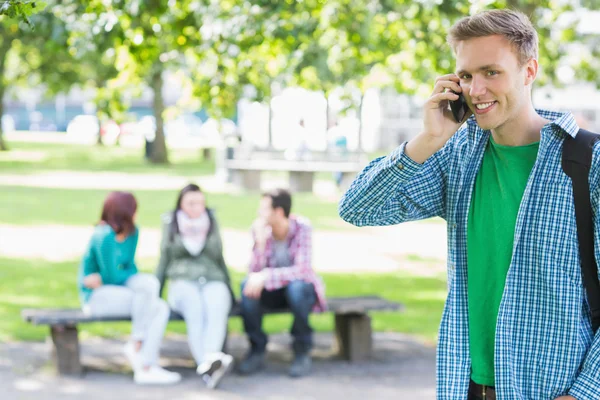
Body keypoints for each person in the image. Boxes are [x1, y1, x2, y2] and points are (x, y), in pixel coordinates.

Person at [339, 9, 600, 400]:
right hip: (467, 386)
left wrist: (583, 394)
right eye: (465, 76)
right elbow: (359, 208)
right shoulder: (457, 156)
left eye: (491, 72)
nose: (475, 90)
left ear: (529, 71)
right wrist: (428, 139)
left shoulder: (588, 162)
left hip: (554, 390)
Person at [78, 191, 181, 385]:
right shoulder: (103, 236)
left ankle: (145, 361)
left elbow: (127, 268)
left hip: (114, 288)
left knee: (156, 297)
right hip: (96, 297)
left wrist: (110, 278)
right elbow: (112, 275)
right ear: (124, 212)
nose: (136, 214)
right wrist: (110, 277)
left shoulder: (133, 232)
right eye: (134, 210)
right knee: (149, 301)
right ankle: (140, 353)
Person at [237, 188, 327, 377]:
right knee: (247, 287)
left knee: (297, 288)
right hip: (274, 293)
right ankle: (257, 348)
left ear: (278, 212)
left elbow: (302, 270)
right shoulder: (260, 230)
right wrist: (260, 243)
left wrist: (266, 276)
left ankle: (302, 350)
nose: (259, 213)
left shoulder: (302, 227)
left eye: (263, 209)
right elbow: (253, 273)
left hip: (300, 292)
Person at [155, 184, 235, 389]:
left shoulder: (211, 221)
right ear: (181, 204)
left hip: (212, 279)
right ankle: (209, 363)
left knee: (217, 305)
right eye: (191, 203)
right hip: (182, 281)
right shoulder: (171, 223)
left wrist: (230, 290)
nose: (196, 207)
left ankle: (209, 363)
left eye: (200, 203)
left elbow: (220, 257)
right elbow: (164, 259)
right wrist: (156, 293)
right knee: (195, 309)